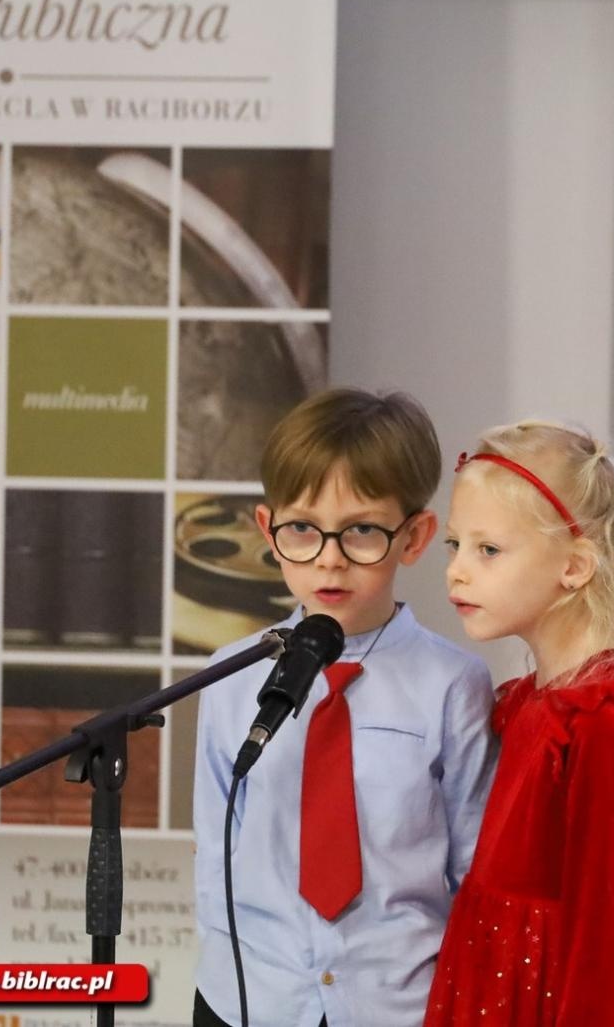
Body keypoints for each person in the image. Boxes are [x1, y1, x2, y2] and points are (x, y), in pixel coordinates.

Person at [191, 388, 496, 1027]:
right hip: (253, 998)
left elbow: (476, 873)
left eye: (360, 530)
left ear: (414, 536)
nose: (329, 557)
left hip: (399, 1002)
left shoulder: (453, 685)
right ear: (267, 532)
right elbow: (216, 847)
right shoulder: (232, 677)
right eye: (303, 528)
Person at [425, 420, 614, 1027]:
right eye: (454, 545)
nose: (457, 570)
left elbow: (606, 932)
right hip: (505, 991)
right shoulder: (537, 701)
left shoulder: (600, 720)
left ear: (575, 566)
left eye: (488, 550)